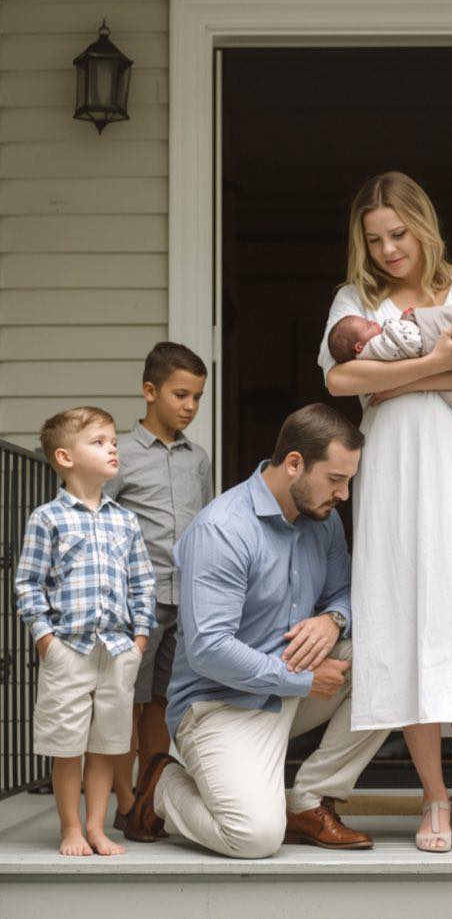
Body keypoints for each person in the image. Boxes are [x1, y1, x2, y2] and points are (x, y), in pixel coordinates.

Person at [318, 172, 452, 852]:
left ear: (423, 225)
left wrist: (411, 373)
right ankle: (433, 797)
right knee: (404, 626)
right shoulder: (355, 300)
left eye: (398, 234)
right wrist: (438, 361)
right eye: (374, 239)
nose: (387, 249)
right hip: (395, 480)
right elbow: (339, 378)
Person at [124, 404, 388, 858]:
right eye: (335, 479)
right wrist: (304, 679)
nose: (344, 494)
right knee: (255, 837)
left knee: (387, 653)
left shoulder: (321, 521)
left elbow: (347, 593)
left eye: (348, 480)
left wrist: (334, 619)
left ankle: (309, 800)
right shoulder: (222, 530)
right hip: (220, 705)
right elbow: (209, 649)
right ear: (293, 464)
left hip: (291, 690)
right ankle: (164, 786)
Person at [15, 407, 156, 857]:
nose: (112, 447)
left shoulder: (125, 521)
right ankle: (70, 828)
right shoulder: (48, 518)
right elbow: (29, 582)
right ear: (65, 456)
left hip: (117, 649)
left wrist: (139, 641)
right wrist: (45, 640)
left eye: (113, 440)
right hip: (69, 649)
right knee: (68, 744)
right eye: (98, 442)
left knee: (107, 745)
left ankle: (97, 827)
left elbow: (143, 582)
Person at [104, 342, 212, 832]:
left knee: (163, 703)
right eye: (180, 395)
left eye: (196, 398)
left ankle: (150, 797)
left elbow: (206, 524)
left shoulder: (198, 459)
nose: (189, 407)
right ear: (150, 392)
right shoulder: (118, 455)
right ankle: (124, 802)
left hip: (183, 599)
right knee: (129, 699)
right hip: (135, 603)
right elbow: (93, 520)